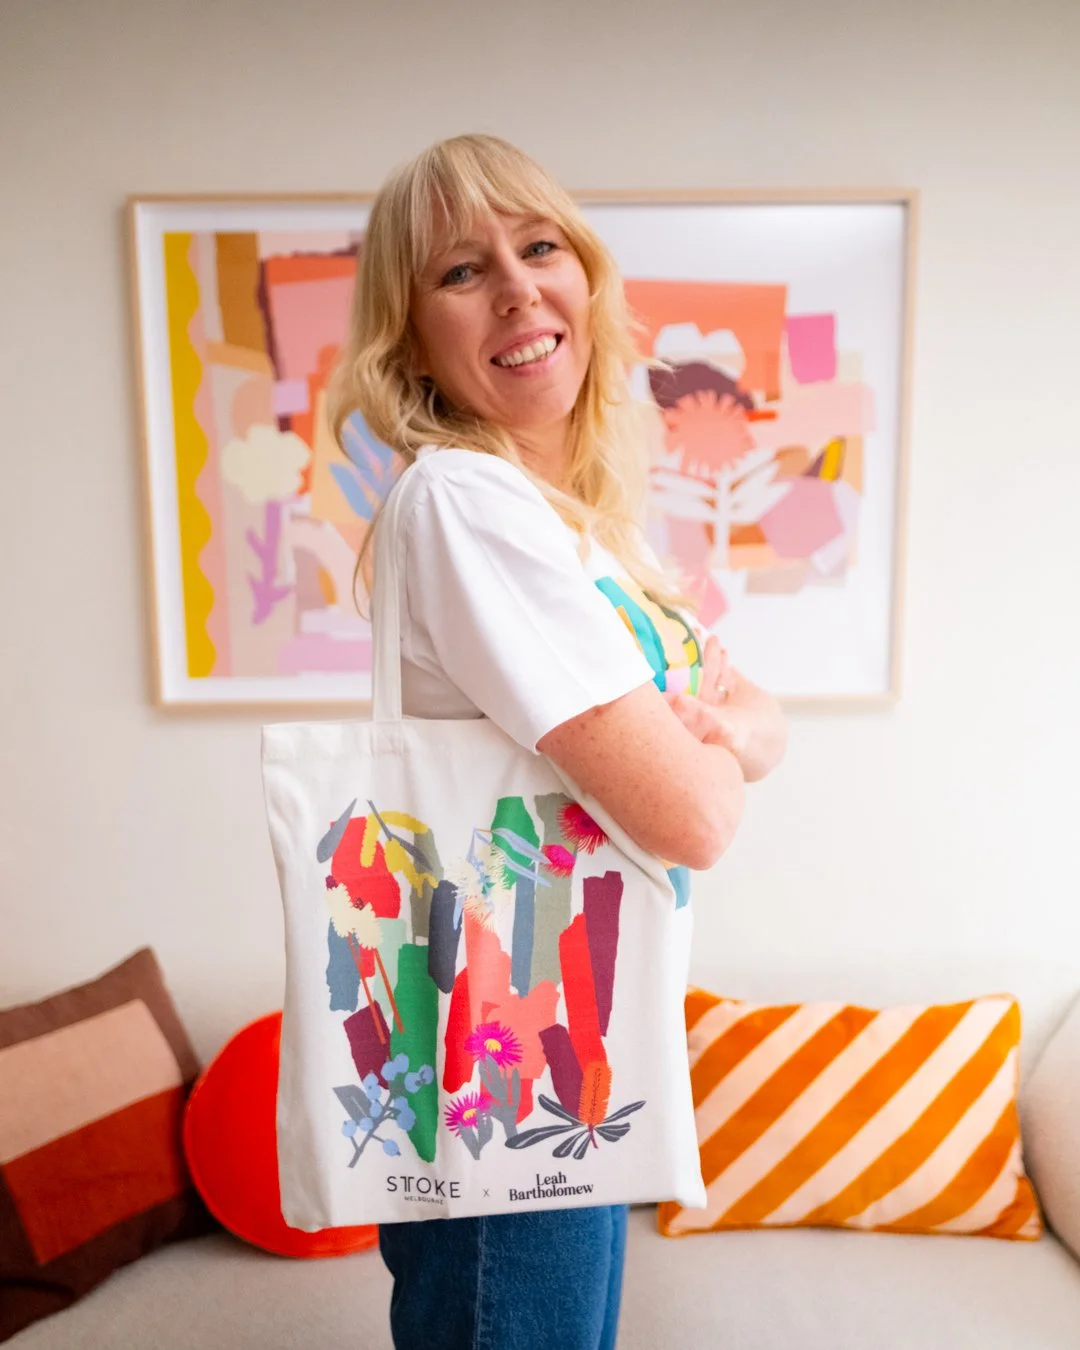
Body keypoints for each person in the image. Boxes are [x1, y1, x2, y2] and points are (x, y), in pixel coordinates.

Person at [328, 133, 787, 1350]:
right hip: (506, 1077)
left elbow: (761, 719)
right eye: (461, 271)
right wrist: (718, 753)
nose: (520, 289)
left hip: (567, 1057)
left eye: (540, 249)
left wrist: (727, 740)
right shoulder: (466, 503)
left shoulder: (575, 527)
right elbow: (692, 815)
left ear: (586, 277)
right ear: (408, 333)